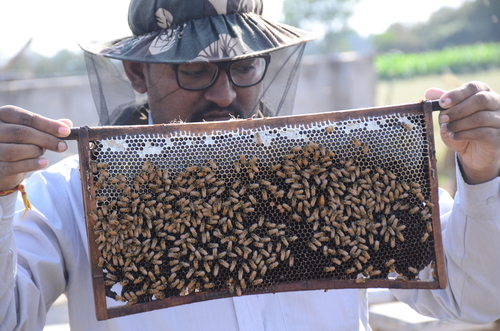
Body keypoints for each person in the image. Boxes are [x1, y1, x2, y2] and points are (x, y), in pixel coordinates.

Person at [1, 0, 500, 330]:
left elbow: (475, 297)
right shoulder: (68, 198)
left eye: (243, 66)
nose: (225, 93)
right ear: (136, 71)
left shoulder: (347, 168)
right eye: (194, 69)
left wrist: (484, 175)